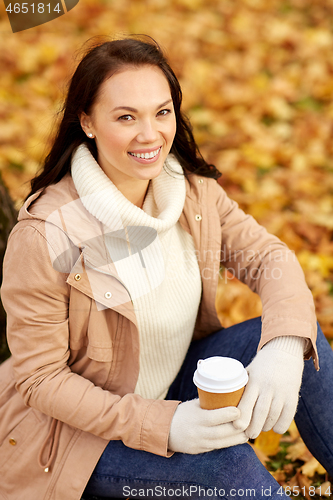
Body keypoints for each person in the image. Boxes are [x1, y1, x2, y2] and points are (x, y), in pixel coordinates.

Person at [0, 36, 332, 500]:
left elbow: (270, 259)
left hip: (175, 381)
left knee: (300, 337)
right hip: (80, 438)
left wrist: (282, 350)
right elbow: (41, 381)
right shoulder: (45, 235)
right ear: (87, 122)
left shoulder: (190, 191)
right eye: (125, 117)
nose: (150, 134)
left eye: (161, 112)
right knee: (227, 465)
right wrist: (167, 426)